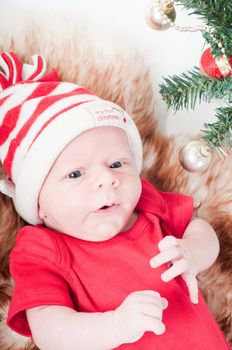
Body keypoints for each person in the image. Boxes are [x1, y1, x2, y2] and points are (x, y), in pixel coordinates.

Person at [0, 52, 230, 350]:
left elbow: (200, 228)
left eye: (117, 164)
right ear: (38, 203)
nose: (106, 179)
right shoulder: (41, 249)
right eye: (75, 173)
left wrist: (193, 252)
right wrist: (116, 325)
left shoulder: (146, 204)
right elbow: (49, 332)